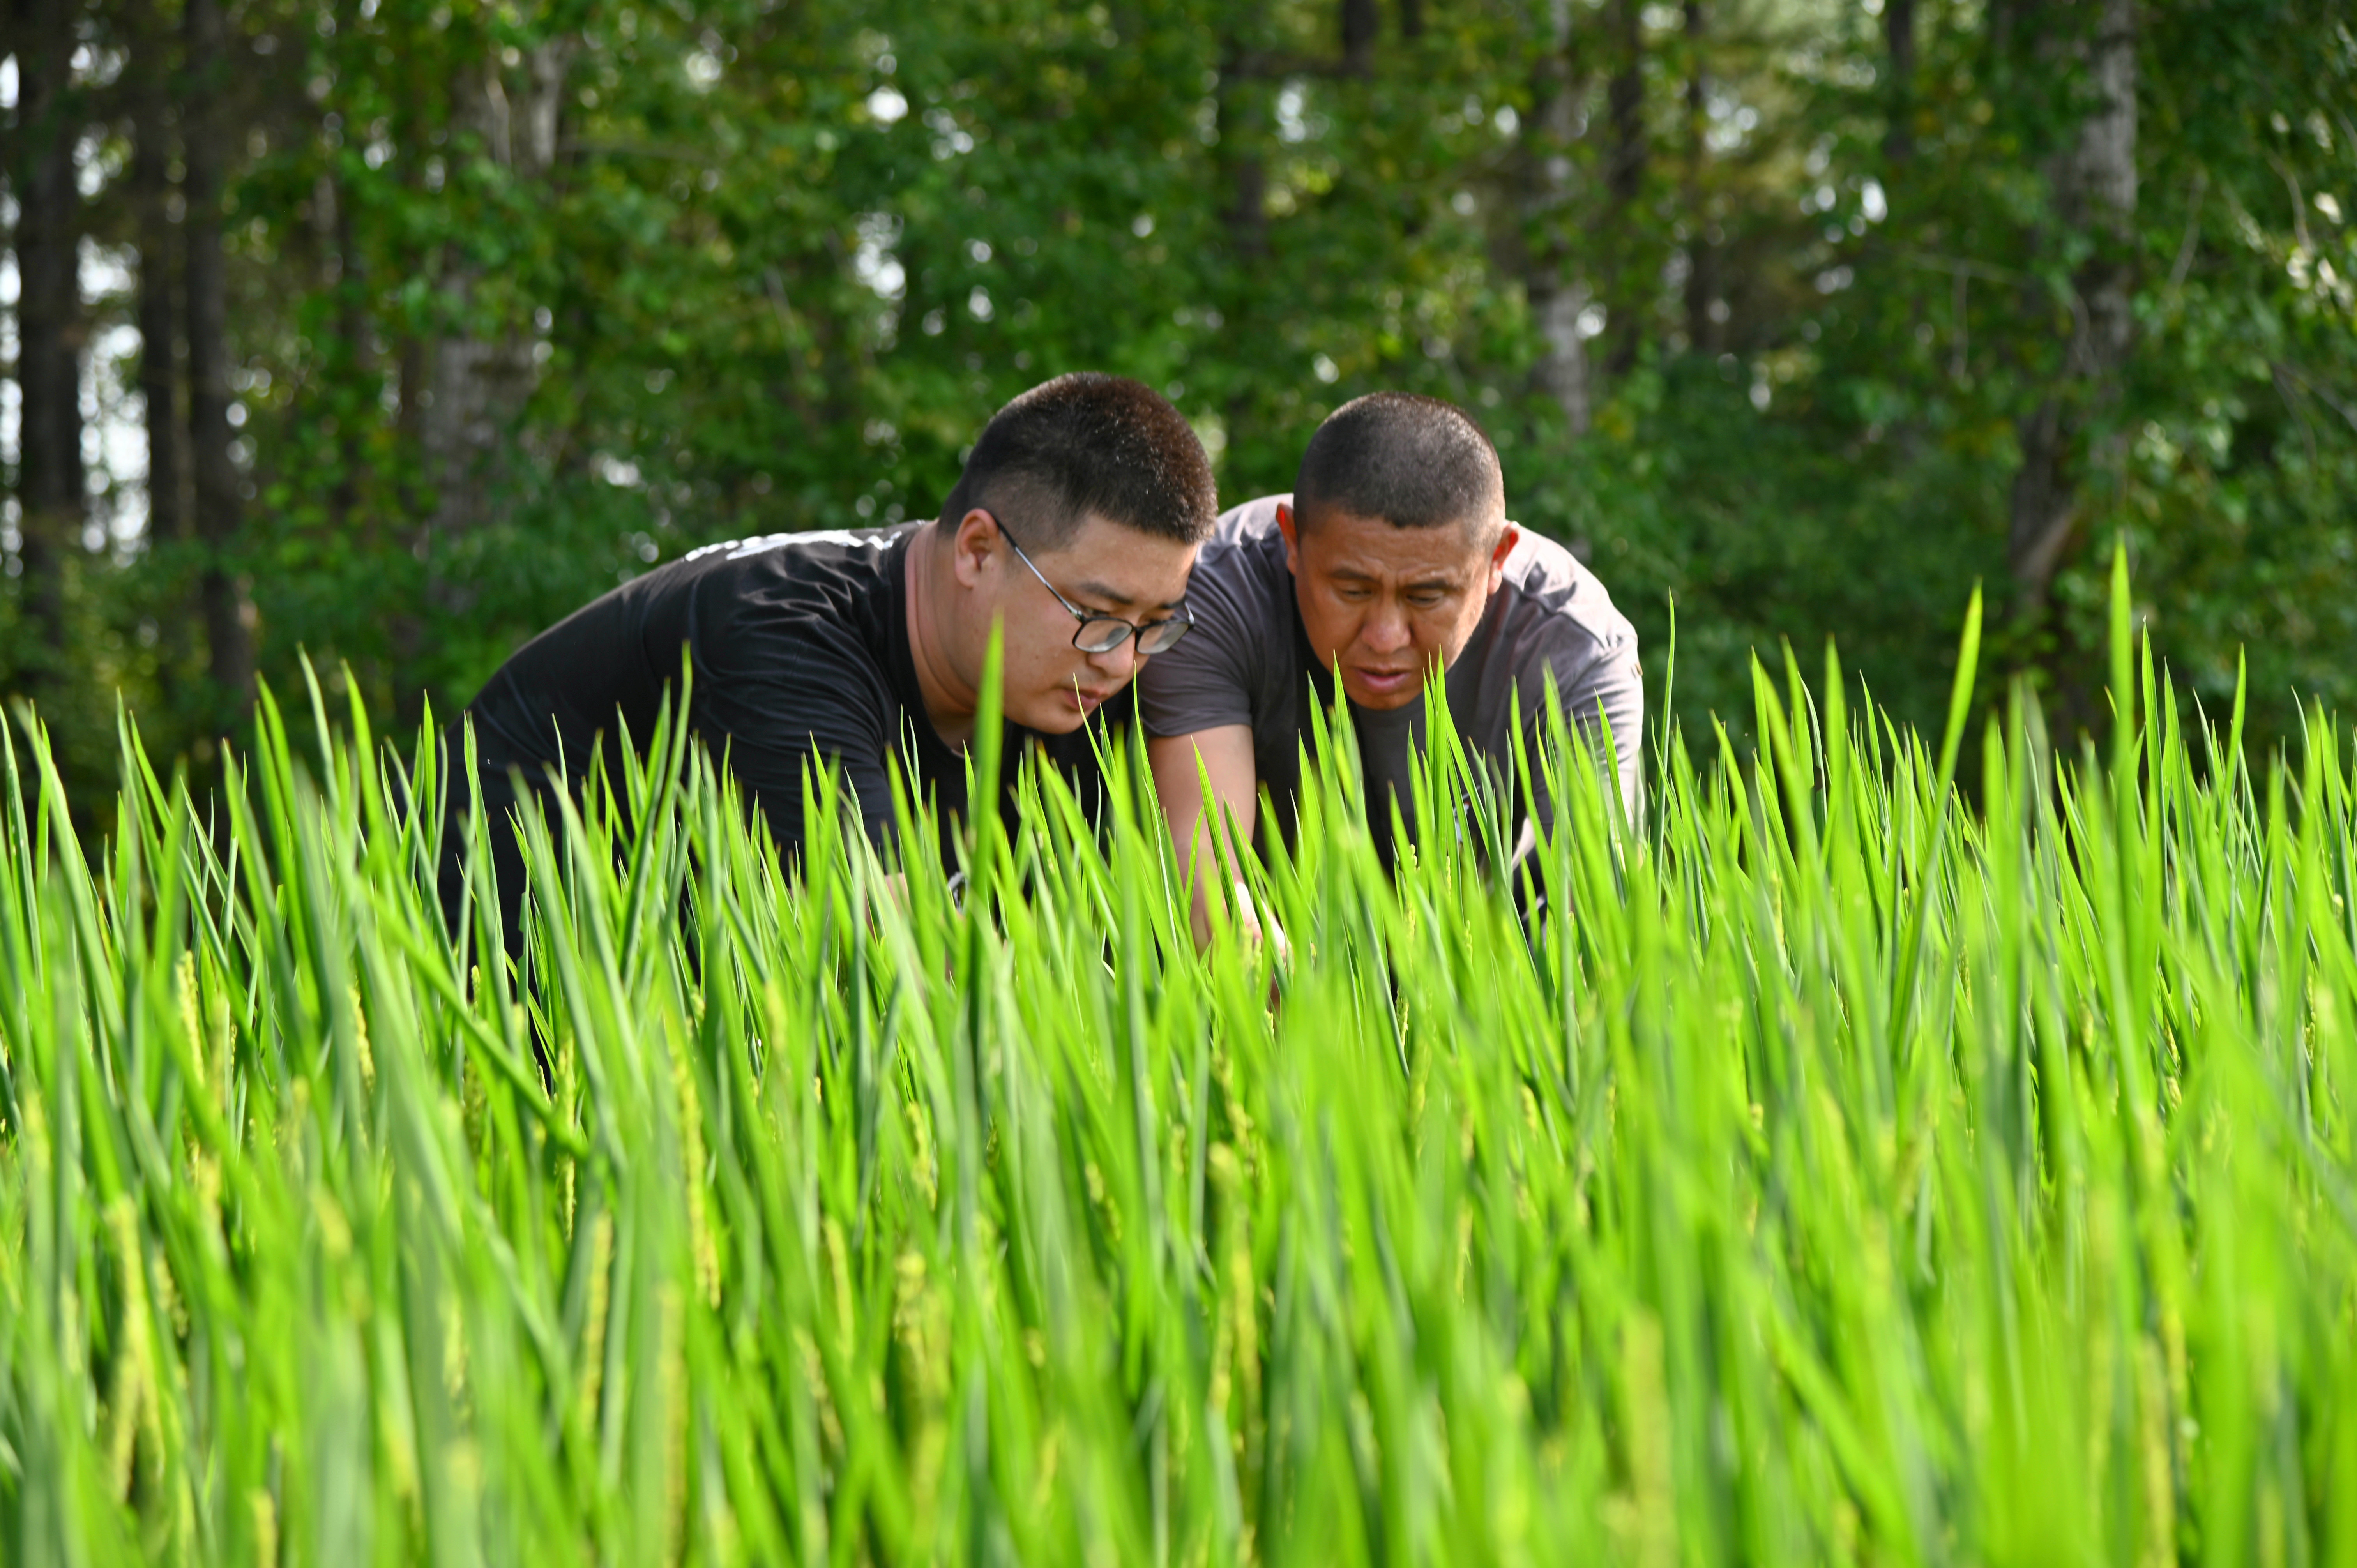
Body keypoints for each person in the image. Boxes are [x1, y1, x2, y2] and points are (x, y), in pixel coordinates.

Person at [443, 371, 1218, 937]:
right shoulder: (783, 633)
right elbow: (902, 960)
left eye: (1158, 622)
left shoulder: (1058, 674)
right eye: (1099, 615)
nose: (1123, 661)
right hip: (487, 992)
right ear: (979, 551)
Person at [1138, 390, 1642, 941]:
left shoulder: (1574, 642)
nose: (1384, 638)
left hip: (1483, 959)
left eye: (1427, 597)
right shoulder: (1213, 593)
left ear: (1498, 559)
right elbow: (1205, 871)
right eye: (1352, 590)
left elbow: (1591, 905)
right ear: (1293, 541)